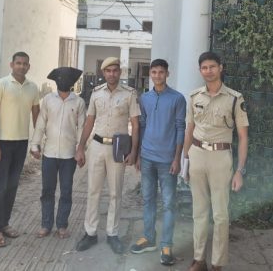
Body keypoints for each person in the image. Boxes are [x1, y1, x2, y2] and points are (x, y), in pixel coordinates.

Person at [183, 51, 249, 271]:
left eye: (212, 66)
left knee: (220, 215)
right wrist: (185, 160)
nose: (208, 71)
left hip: (220, 158)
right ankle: (199, 259)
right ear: (200, 70)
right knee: (199, 212)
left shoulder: (234, 98)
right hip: (197, 155)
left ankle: (217, 263)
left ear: (221, 68)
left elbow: (243, 136)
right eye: (204, 67)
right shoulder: (194, 97)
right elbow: (189, 130)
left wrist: (239, 170)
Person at [75, 56, 140, 255]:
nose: (112, 74)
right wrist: (80, 147)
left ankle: (112, 233)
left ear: (120, 72)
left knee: (115, 192)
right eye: (108, 71)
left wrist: (134, 151)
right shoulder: (96, 93)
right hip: (96, 146)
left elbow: (135, 124)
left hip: (118, 149)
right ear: (103, 73)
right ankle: (90, 232)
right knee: (93, 191)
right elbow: (89, 121)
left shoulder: (129, 94)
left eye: (115, 70)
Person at [130, 59, 186, 266]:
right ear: (150, 74)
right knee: (148, 199)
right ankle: (148, 238)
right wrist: (138, 155)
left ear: (167, 74)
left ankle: (166, 245)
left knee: (169, 204)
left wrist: (177, 158)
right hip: (147, 158)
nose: (157, 75)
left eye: (161, 72)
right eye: (154, 72)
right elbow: (142, 126)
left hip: (167, 160)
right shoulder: (144, 98)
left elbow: (181, 128)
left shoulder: (177, 98)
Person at [0, 51, 40, 248]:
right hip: (2, 142)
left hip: (21, 142)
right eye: (18, 63)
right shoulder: (1, 85)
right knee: (0, 186)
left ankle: (5, 223)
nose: (21, 66)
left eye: (25, 63)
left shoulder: (33, 87)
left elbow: (37, 117)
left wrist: (36, 142)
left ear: (29, 66)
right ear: (12, 65)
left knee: (12, 185)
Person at [29, 67, 85, 239]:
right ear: (56, 81)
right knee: (47, 190)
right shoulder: (48, 99)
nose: (64, 81)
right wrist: (35, 145)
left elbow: (82, 128)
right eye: (60, 78)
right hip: (49, 154)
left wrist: (81, 150)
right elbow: (41, 123)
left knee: (66, 191)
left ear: (73, 82)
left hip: (69, 155)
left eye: (68, 79)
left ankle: (62, 225)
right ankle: (46, 225)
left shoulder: (79, 102)